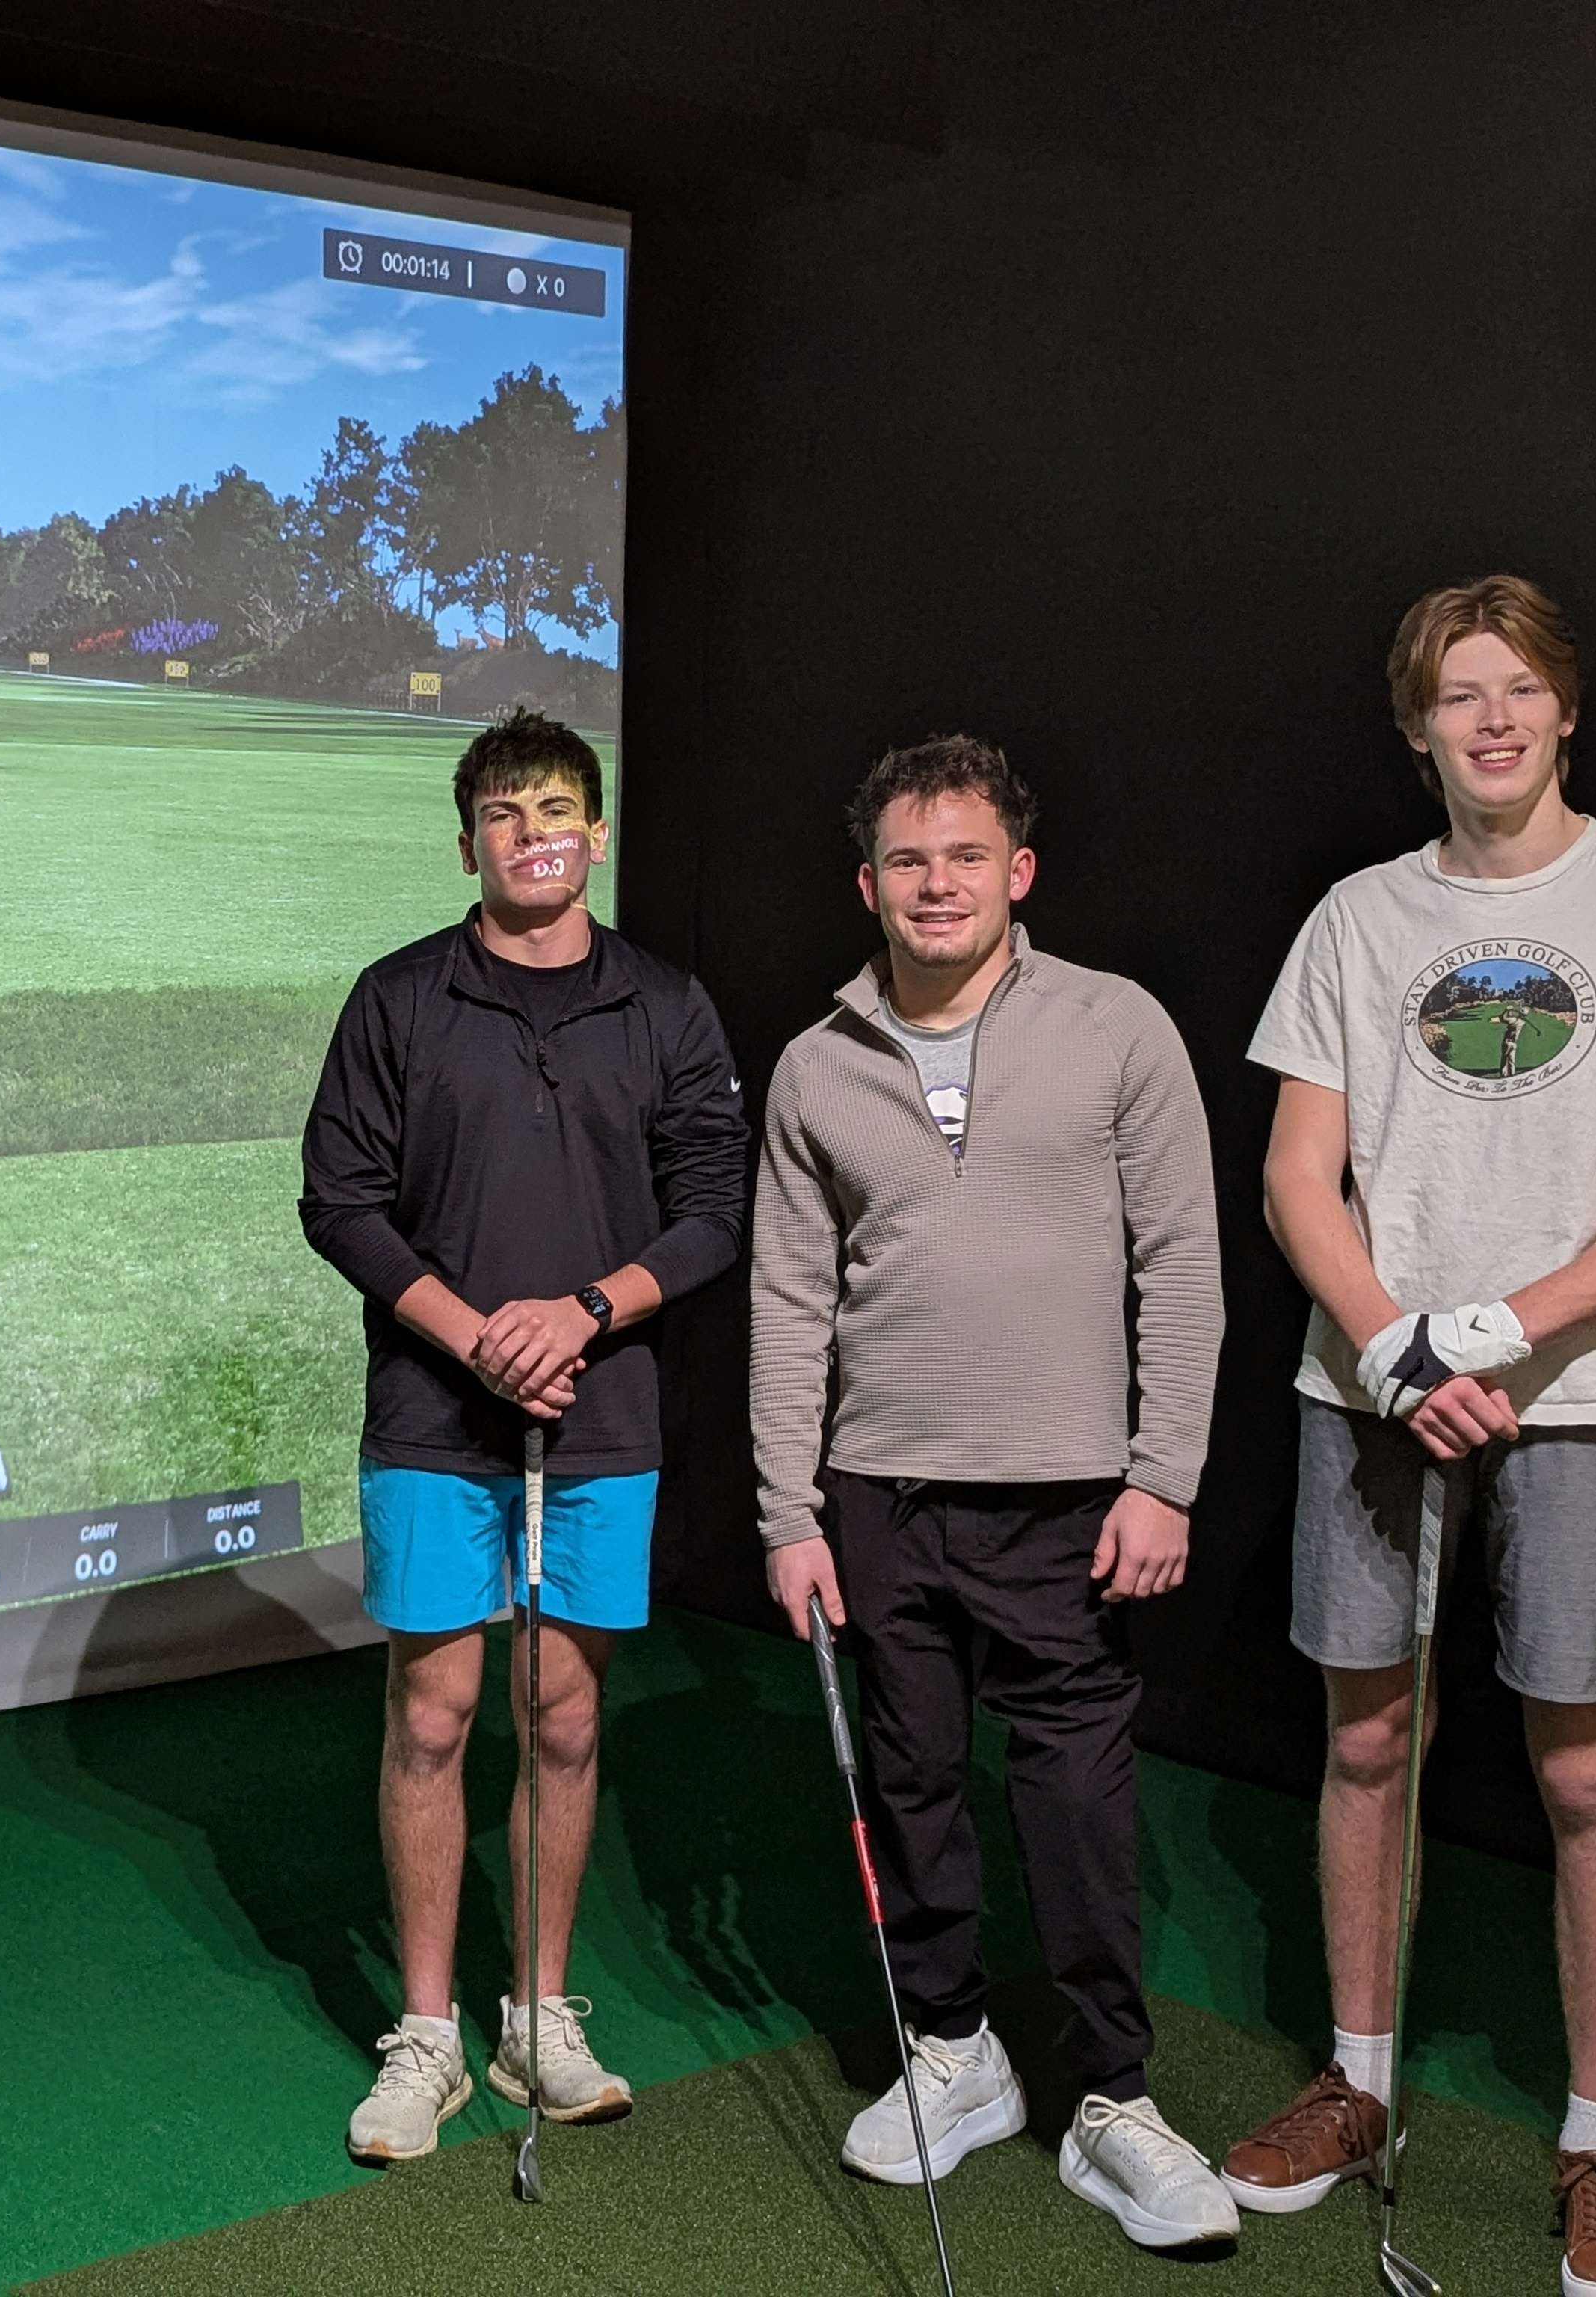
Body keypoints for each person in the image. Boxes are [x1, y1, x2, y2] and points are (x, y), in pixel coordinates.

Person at [1221, 576, 1596, 2297]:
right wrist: (1394, 1339)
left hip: (1589, 1388)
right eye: (1457, 695)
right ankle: (1362, 2082)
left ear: (1564, 709)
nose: (1490, 719)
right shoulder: (1356, 919)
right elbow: (1295, 1177)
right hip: (1375, 1385)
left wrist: (1509, 1323)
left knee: (1589, 1767)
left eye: (1517, 689)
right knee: (1371, 1741)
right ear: (1416, 727)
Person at [751, 734, 1241, 2248]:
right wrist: (786, 1512)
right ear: (869, 883)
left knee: (1078, 1801)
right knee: (908, 1780)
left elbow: (1185, 1268)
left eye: (966, 856)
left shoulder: (1117, 1028)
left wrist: (1163, 1478)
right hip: (882, 1492)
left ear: (1017, 873)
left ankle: (1113, 2095)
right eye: (910, 860)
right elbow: (787, 1303)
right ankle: (954, 2053)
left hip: (1071, 1497)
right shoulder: (817, 1061)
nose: (938, 885)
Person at [299, 708, 747, 2165]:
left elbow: (713, 1208)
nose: (533, 830)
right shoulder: (398, 998)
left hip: (603, 1415)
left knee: (560, 1713)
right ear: (470, 839)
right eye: (503, 812)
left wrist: (582, 1313)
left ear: (597, 831)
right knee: (431, 1714)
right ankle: (425, 2032)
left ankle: (537, 2013)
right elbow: (341, 1200)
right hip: (435, 1416)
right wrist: (477, 1330)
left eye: (557, 807)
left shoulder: (666, 1006)